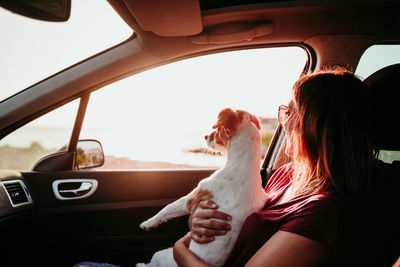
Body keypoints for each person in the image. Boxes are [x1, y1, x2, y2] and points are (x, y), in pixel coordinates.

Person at [173, 69, 374, 266]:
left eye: (288, 111)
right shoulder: (286, 175)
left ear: (313, 125)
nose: (283, 120)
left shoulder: (324, 211)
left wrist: (180, 248)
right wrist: (199, 226)